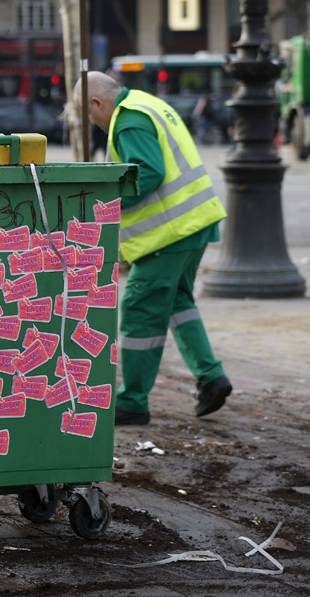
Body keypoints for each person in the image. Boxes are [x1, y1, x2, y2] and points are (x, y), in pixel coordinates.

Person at [74, 71, 231, 426]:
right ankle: (211, 376)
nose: (91, 121)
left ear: (97, 103)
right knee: (177, 301)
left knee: (139, 310)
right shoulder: (148, 103)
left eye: (88, 113)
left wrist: (103, 202)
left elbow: (148, 173)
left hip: (169, 235)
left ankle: (132, 402)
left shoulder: (128, 120)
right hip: (194, 224)